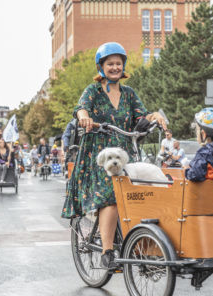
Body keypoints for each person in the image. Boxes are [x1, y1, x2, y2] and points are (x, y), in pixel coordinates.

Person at [61, 42, 166, 269]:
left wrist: (153, 117)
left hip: (124, 153)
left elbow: (140, 118)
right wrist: (84, 117)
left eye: (118, 63)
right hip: (98, 156)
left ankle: (139, 242)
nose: (115, 67)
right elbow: (81, 107)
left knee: (140, 191)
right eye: (110, 64)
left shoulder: (129, 93)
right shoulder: (93, 90)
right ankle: (107, 251)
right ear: (101, 67)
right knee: (111, 195)